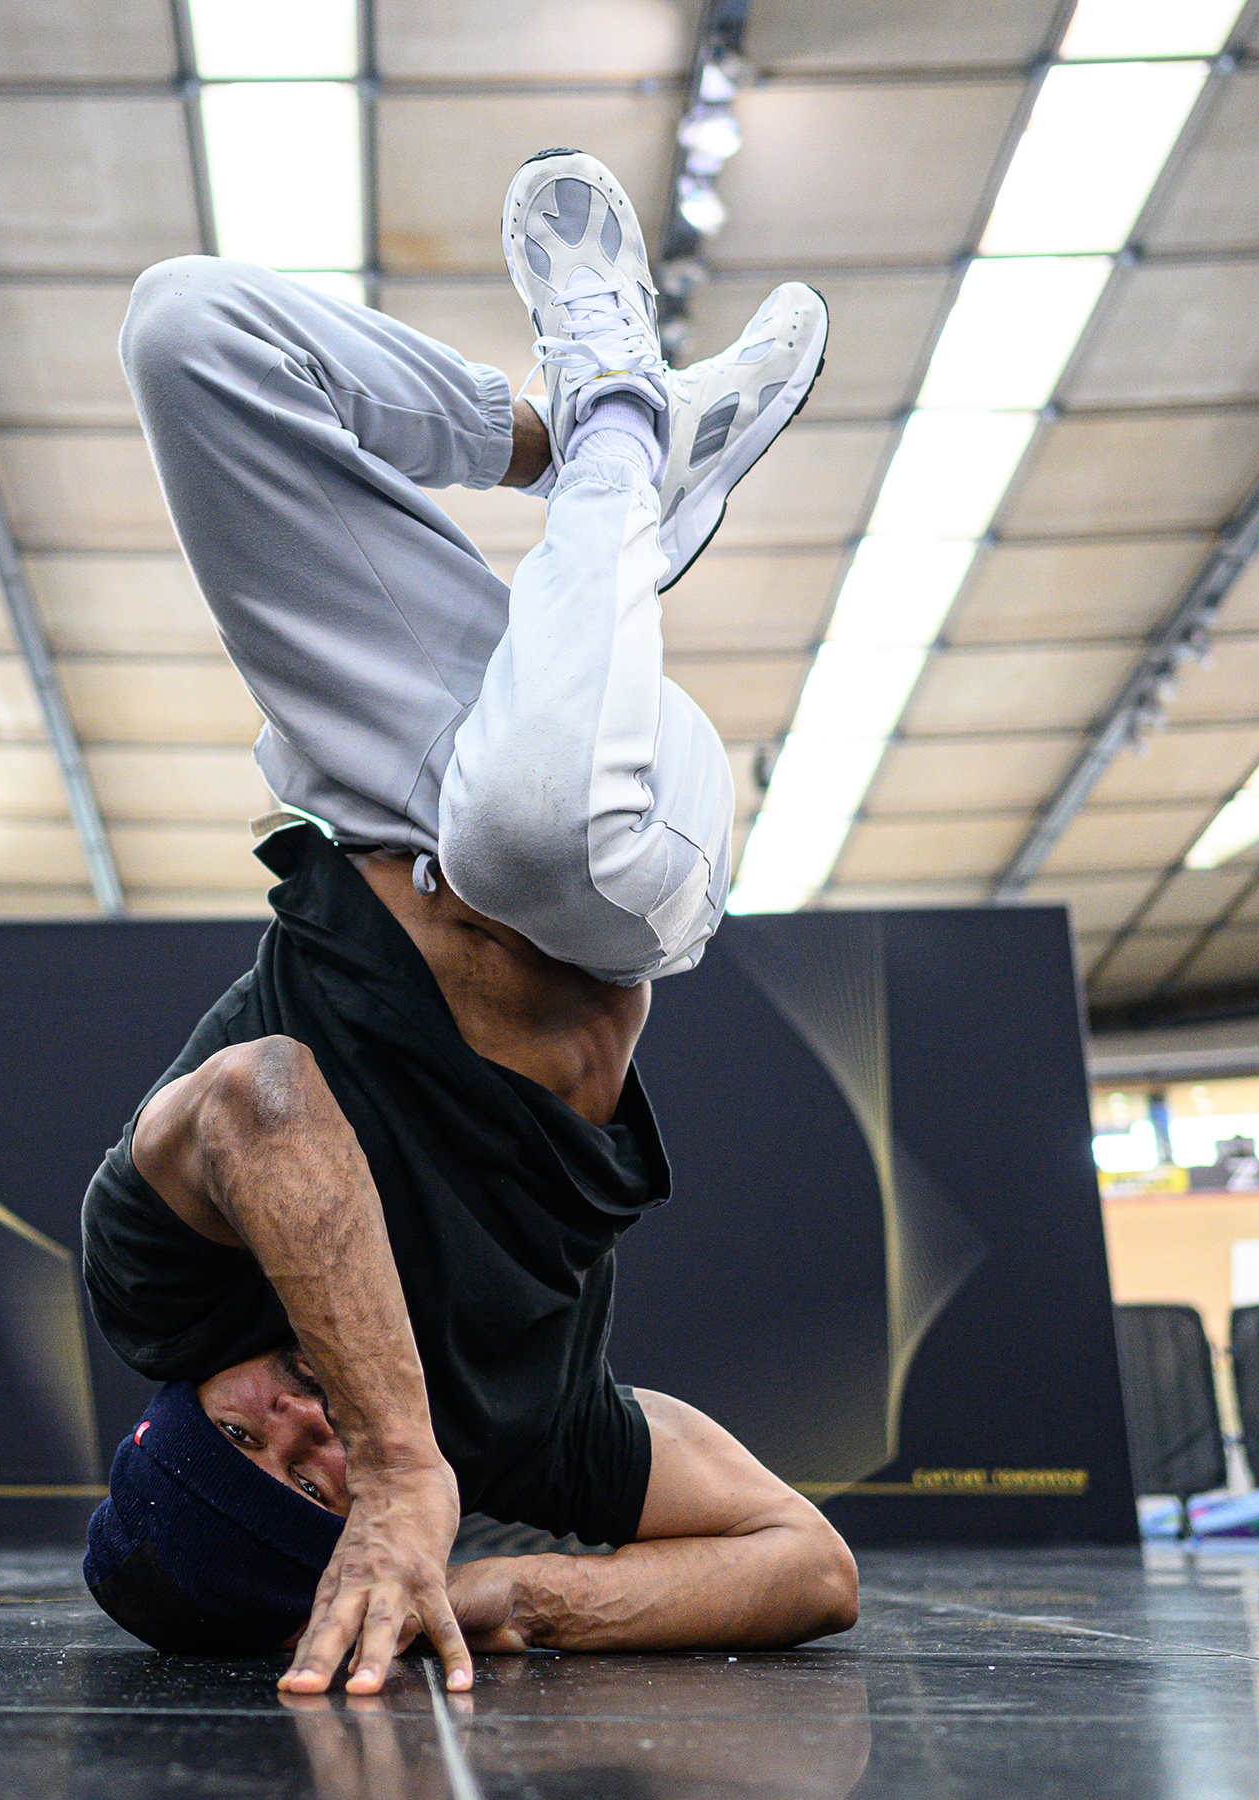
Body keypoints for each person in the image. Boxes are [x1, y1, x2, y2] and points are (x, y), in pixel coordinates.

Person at [79, 151, 859, 1693]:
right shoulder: (530, 1429)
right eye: (312, 1480)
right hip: (616, 843)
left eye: (245, 1429)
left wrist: (389, 1458)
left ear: (176, 1401)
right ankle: (623, 434)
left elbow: (264, 1097)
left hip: (385, 771)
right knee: (525, 830)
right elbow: (806, 1563)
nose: (303, 1428)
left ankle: (571, 441)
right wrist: (503, 1589)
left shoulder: (152, 1285)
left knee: (188, 334)